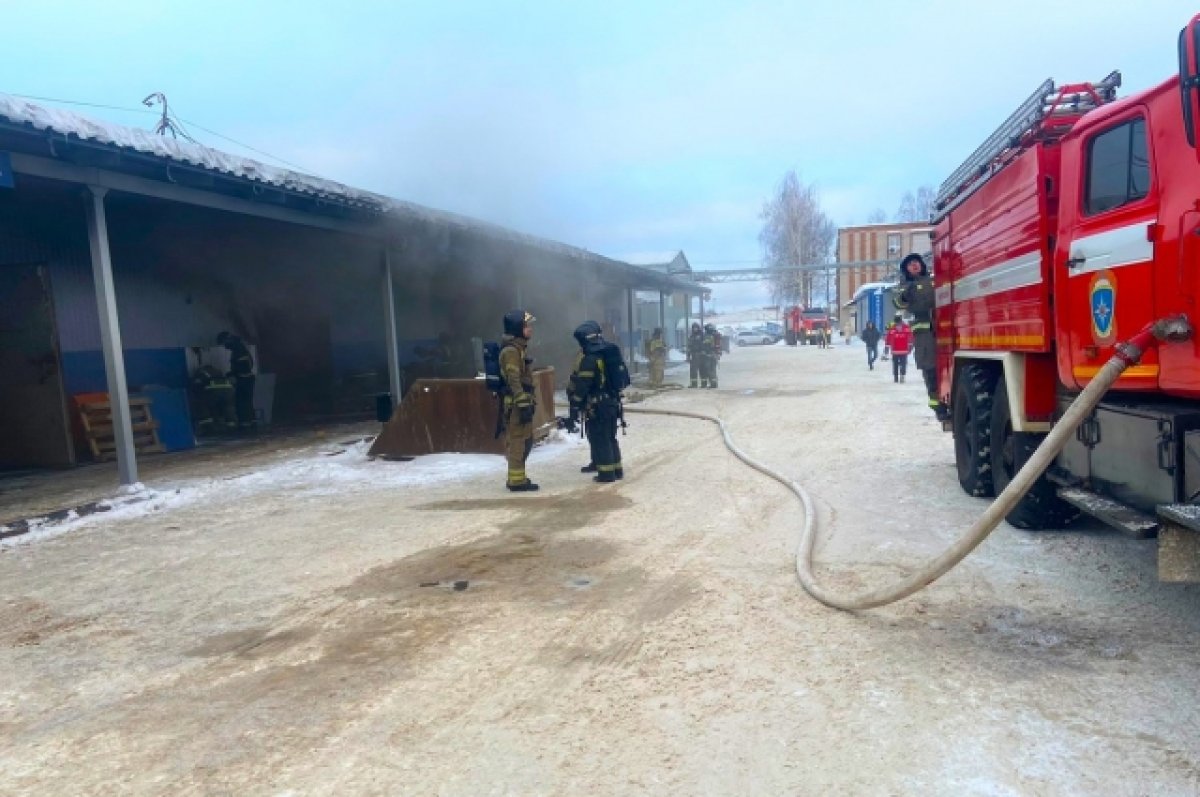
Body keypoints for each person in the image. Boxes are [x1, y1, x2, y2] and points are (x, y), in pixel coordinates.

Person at [567, 321, 625, 483]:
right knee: (610, 437)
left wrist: (575, 402)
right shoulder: (607, 352)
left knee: (600, 438)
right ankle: (616, 469)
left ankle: (606, 473)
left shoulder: (590, 358)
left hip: (599, 406)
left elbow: (584, 384)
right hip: (612, 403)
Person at [893, 253, 948, 419]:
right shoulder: (905, 286)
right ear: (906, 269)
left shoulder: (934, 279)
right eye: (910, 264)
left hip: (944, 327)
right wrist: (904, 296)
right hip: (924, 334)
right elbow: (897, 303)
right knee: (930, 367)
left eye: (916, 262)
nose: (914, 265)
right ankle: (937, 404)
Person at [499, 309, 539, 492]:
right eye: (526, 326)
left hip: (521, 403)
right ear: (517, 328)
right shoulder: (511, 351)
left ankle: (518, 477)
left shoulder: (519, 348)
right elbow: (514, 380)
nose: (530, 329)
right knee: (517, 441)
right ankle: (516, 481)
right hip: (516, 405)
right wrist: (523, 404)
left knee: (525, 440)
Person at [217, 331, 256, 433]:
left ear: (228, 340)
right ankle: (251, 423)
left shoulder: (239, 350)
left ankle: (245, 425)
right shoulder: (239, 348)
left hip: (244, 379)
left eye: (224, 343)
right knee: (247, 402)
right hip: (246, 379)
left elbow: (244, 366)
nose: (225, 346)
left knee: (242, 402)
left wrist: (233, 373)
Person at [190, 364, 236, 435]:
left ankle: (208, 428)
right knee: (227, 407)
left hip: (213, 391)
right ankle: (231, 427)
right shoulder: (217, 371)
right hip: (229, 390)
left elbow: (197, 384)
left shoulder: (201, 372)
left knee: (202, 405)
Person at [885, 314, 912, 383]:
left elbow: (888, 339)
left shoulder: (892, 329)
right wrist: (910, 347)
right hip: (903, 350)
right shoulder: (906, 328)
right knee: (903, 363)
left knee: (896, 364)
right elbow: (911, 338)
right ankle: (901, 375)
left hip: (895, 350)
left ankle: (896, 377)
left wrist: (887, 348)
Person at [702, 323, 721, 388]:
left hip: (709, 354)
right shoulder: (715, 335)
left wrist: (705, 352)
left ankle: (713, 384)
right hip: (714, 354)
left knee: (710, 370)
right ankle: (714, 383)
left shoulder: (709, 336)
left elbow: (707, 345)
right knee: (713, 370)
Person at [686, 322, 704, 388]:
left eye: (696, 327)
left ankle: (703, 384)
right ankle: (694, 384)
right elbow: (689, 347)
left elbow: (705, 345)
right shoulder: (691, 336)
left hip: (701, 354)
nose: (695, 329)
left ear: (698, 328)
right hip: (694, 355)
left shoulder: (702, 336)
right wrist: (688, 356)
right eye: (694, 328)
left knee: (702, 369)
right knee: (693, 370)